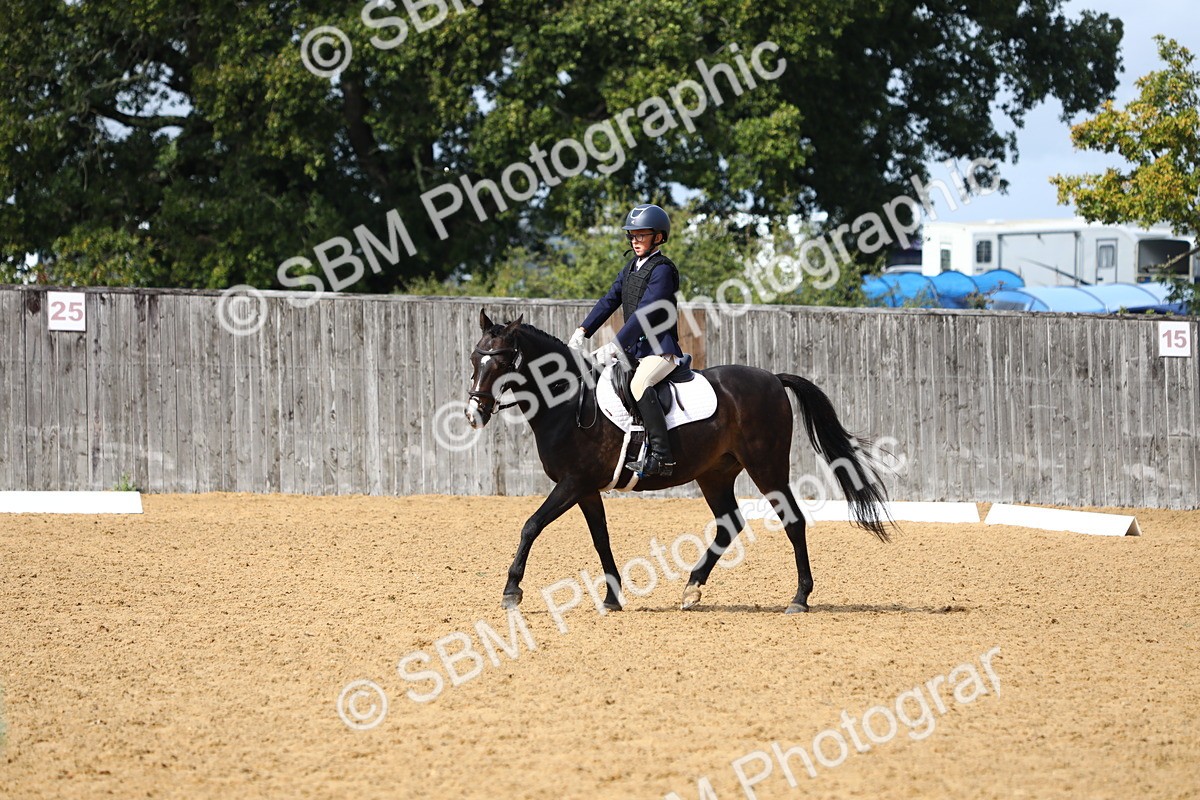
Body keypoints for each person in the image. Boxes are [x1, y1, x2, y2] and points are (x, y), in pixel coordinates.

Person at [568, 203, 683, 477]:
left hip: (658, 350)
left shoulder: (663, 270)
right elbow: (609, 300)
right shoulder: (630, 268)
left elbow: (645, 312)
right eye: (632, 236)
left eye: (641, 235)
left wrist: (615, 345)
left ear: (658, 236)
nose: (635, 241)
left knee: (640, 383)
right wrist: (584, 330)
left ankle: (662, 457)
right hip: (634, 350)